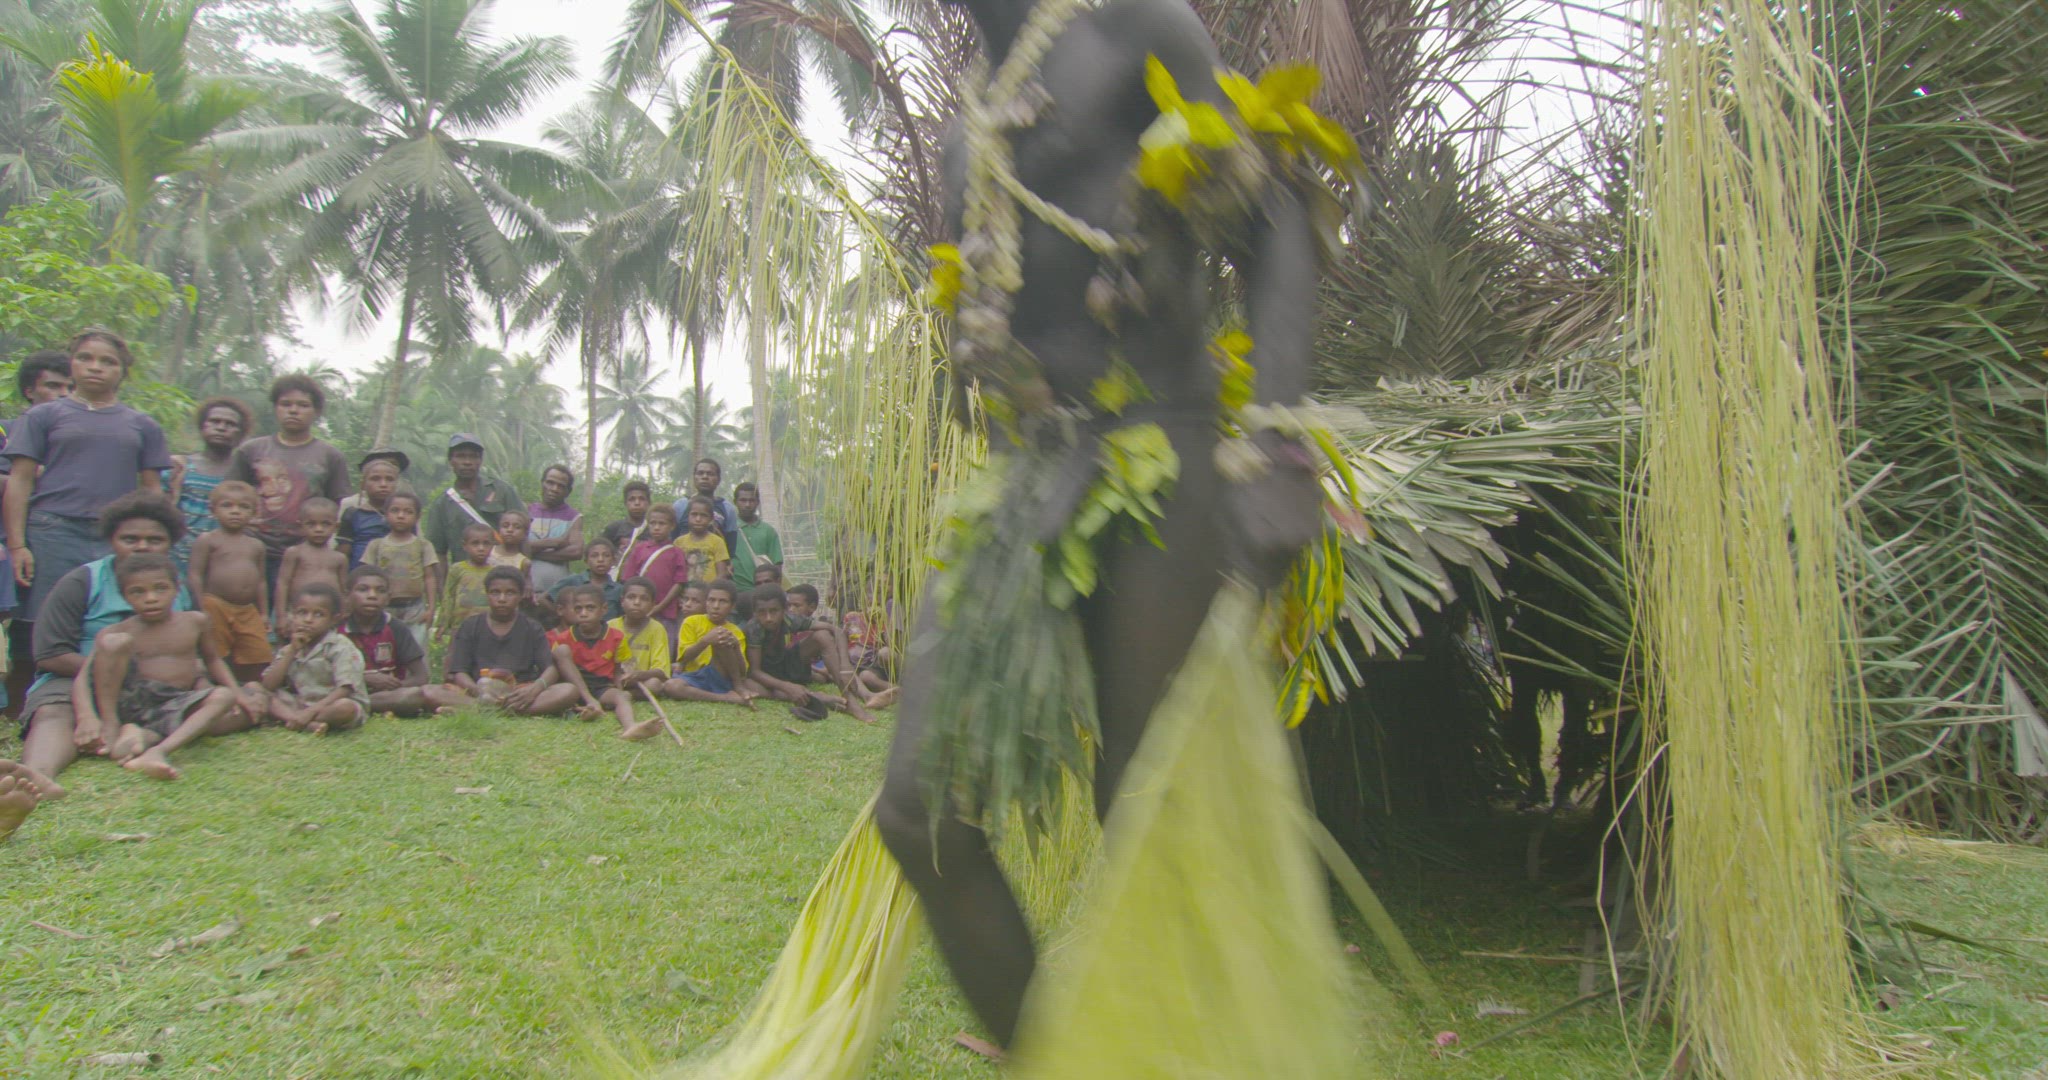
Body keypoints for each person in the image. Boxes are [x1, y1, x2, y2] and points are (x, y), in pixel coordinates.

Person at [865, 0, 1334, 1051]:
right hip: (1026, 477)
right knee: (919, 812)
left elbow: (1276, 225)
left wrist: (1279, 444)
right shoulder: (965, 134)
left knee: (1147, 807)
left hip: (1162, 443)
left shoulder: (1133, 30)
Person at [0, 495, 209, 833]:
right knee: (55, 712)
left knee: (223, 705)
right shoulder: (83, 581)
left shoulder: (178, 585)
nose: (142, 547)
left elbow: (192, 647)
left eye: (154, 540)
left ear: (170, 543)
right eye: (130, 539)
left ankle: (136, 737)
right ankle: (37, 777)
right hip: (75, 678)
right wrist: (110, 670)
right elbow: (50, 653)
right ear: (112, 540)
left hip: (157, 690)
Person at [4, 331, 172, 643]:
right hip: (51, 534)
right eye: (85, 358)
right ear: (72, 363)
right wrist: (17, 546)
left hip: (116, 539)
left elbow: (152, 493)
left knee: (113, 623)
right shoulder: (42, 416)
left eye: (108, 361)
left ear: (122, 371)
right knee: (41, 627)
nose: (96, 367)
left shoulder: (143, 425)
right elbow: (20, 480)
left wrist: (151, 548)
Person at [87, 552, 254, 780]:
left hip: (176, 701)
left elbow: (213, 660)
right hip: (136, 701)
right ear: (124, 596)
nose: (151, 598)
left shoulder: (195, 621)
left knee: (224, 696)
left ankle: (152, 745)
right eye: (138, 592)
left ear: (177, 589)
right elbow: (89, 677)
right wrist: (105, 720)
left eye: (160, 588)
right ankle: (125, 729)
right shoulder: (117, 631)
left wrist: (238, 694)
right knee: (114, 641)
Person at [225, 374, 352, 593]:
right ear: (275, 408)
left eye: (303, 405)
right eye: (286, 404)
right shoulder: (251, 450)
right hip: (252, 548)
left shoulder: (330, 456)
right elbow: (230, 495)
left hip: (305, 553)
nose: (293, 410)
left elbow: (337, 505)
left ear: (316, 412)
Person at [2, 349, 75, 717]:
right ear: (30, 390)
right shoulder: (8, 430)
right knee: (20, 624)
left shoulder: (77, 435)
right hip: (10, 542)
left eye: (69, 387)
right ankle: (14, 707)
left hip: (58, 538)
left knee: (57, 619)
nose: (63, 394)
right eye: (53, 386)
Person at [425, 567, 580, 716]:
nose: (502, 599)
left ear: (520, 596)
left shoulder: (532, 627)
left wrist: (534, 690)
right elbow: (459, 672)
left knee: (568, 691)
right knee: (429, 691)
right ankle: (497, 710)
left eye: (510, 593)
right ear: (487, 594)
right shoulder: (470, 626)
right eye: (495, 592)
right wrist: (479, 692)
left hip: (518, 692)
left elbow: (550, 668)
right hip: (478, 690)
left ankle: (484, 711)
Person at [740, 586, 872, 722]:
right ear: (755, 613)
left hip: (786, 666)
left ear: (784, 610)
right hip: (766, 676)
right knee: (749, 685)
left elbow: (837, 631)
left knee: (822, 635)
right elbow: (755, 671)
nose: (768, 618)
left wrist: (845, 666)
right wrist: (787, 687)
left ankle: (851, 702)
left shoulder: (789, 619)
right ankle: (814, 697)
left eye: (774, 611)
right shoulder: (754, 629)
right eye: (762, 612)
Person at [549, 584, 662, 740]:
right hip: (575, 686)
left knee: (621, 697)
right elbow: (557, 668)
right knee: (561, 651)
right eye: (578, 609)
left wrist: (620, 688)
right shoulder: (564, 638)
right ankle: (587, 705)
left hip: (601, 686)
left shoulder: (616, 637)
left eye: (590, 608)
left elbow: (617, 669)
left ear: (603, 609)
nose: (583, 614)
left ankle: (630, 727)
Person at [186, 480, 272, 682]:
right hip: (215, 605)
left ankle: (250, 687)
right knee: (216, 651)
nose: (235, 511)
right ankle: (220, 686)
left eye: (244, 507)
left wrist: (264, 612)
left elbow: (261, 581)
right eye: (227, 505)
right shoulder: (208, 540)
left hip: (247, 609)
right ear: (213, 510)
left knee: (258, 652)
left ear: (254, 512)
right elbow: (195, 575)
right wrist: (201, 608)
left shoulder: (256, 545)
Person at [255, 581, 367, 735]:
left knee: (344, 707)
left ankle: (296, 720)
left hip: (331, 704)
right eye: (302, 613)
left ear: (334, 619)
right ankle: (301, 722)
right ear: (293, 615)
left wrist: (310, 712)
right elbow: (268, 686)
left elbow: (345, 689)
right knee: (257, 690)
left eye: (318, 614)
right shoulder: (290, 649)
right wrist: (292, 651)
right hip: (302, 703)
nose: (308, 619)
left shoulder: (340, 646)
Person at [167, 397, 254, 569]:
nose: (221, 427)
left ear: (241, 434)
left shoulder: (247, 474)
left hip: (225, 564)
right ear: (202, 426)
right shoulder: (180, 467)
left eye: (230, 424)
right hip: (179, 559)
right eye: (215, 421)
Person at [341, 566, 431, 717]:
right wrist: (364, 679)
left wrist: (394, 686)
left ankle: (366, 706)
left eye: (380, 591)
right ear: (347, 595)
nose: (372, 596)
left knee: (414, 695)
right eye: (363, 589)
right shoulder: (336, 629)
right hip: (348, 692)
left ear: (389, 597)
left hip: (389, 694)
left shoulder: (396, 628)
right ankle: (369, 706)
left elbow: (421, 676)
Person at [424, 433, 522, 562]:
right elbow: (438, 552)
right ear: (450, 461)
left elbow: (523, 534)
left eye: (473, 456)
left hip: (501, 571)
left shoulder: (502, 491)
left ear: (480, 460)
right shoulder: (441, 504)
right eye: (460, 456)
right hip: (464, 572)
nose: (467, 462)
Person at [360, 491, 438, 647]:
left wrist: (431, 608)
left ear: (417, 517)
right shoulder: (376, 545)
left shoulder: (423, 545)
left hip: (415, 608)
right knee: (384, 648)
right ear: (385, 513)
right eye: (395, 510)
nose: (401, 516)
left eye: (408, 512)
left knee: (416, 648)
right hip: (384, 608)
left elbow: (429, 577)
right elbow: (366, 577)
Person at [662, 579, 753, 706]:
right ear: (706, 602)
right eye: (711, 600)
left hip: (721, 676)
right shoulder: (691, 622)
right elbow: (683, 659)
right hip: (695, 676)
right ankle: (726, 698)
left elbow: (743, 671)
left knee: (722, 637)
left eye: (723, 601)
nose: (716, 606)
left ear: (732, 606)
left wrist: (736, 646)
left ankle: (737, 688)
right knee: (671, 686)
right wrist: (705, 641)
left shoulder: (735, 631)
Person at [272, 497, 348, 638]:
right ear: (300, 526)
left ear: (336, 527)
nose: (319, 529)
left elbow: (343, 590)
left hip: (328, 616)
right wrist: (281, 616)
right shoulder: (295, 552)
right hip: (298, 613)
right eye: (311, 524)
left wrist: (343, 613)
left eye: (326, 524)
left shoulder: (339, 558)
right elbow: (283, 584)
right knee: (296, 645)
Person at [623, 505, 687, 641]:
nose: (657, 527)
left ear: (672, 526)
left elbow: (679, 583)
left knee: (664, 645)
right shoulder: (639, 549)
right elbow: (629, 580)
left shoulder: (676, 552)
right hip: (639, 610)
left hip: (666, 613)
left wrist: (659, 607)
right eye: (653, 523)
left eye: (662, 523)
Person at [336, 449, 409, 567]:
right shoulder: (352, 514)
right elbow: (343, 553)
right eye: (375, 479)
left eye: (389, 479)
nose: (383, 484)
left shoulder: (404, 514)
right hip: (360, 573)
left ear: (396, 484)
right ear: (363, 485)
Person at [609, 577, 673, 700]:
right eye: (631, 597)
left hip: (641, 681)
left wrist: (638, 675)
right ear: (622, 601)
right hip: (614, 679)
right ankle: (616, 694)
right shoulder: (610, 626)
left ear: (653, 605)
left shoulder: (657, 629)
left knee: (655, 684)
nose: (637, 602)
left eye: (644, 599)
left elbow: (662, 671)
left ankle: (629, 695)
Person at [525, 465, 584, 596]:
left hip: (556, 594)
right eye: (550, 483)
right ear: (542, 483)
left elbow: (576, 551)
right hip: (524, 590)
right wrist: (553, 543)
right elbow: (515, 544)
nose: (554, 489)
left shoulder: (574, 517)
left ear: (568, 491)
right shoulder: (527, 511)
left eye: (561, 486)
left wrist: (532, 552)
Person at [437, 523, 496, 639]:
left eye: (486, 543)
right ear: (465, 546)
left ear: (492, 546)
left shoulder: (495, 572)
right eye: (475, 543)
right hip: (460, 626)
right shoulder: (457, 569)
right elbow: (449, 596)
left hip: (488, 627)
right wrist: (443, 623)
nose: (481, 548)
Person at [672, 458, 738, 555]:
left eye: (710, 474)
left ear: (718, 480)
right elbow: (671, 539)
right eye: (700, 473)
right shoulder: (680, 506)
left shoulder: (727, 508)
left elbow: (731, 546)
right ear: (694, 477)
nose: (705, 477)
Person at [547, 539, 621, 619]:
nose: (600, 560)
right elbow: (544, 599)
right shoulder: (573, 580)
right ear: (586, 561)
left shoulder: (618, 589)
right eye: (594, 556)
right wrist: (564, 617)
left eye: (606, 555)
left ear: (613, 561)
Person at [728, 482, 783, 590]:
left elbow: (777, 565)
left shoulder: (768, 531)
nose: (747, 505)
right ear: (735, 502)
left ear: (758, 502)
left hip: (762, 592)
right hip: (736, 591)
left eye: (751, 500)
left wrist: (774, 591)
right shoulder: (729, 529)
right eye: (743, 500)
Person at [676, 496, 731, 584]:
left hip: (709, 590)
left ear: (711, 519)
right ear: (688, 516)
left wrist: (711, 590)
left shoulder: (717, 542)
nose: (698, 519)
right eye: (694, 514)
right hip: (685, 591)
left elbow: (722, 574)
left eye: (703, 515)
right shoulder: (679, 542)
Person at [601, 480, 653, 554]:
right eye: (632, 499)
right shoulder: (614, 529)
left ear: (649, 502)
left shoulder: (656, 529)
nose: (637, 503)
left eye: (641, 499)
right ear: (625, 503)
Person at [488, 509, 531, 573]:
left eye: (517, 527)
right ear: (499, 529)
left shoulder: (524, 562)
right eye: (505, 526)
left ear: (525, 533)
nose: (510, 530)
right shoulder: (488, 551)